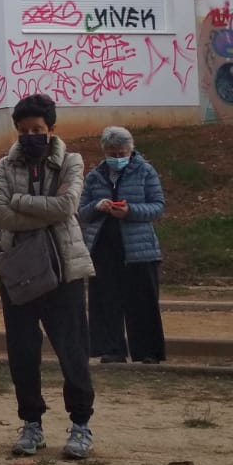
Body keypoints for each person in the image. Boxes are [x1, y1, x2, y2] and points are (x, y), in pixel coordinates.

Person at [0, 93, 96, 460]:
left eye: (38, 129)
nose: (31, 135)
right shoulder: (6, 165)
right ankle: (31, 424)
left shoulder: (71, 162)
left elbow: (68, 207)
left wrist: (20, 202)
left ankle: (81, 424)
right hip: (18, 271)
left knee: (72, 349)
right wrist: (42, 211)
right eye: (24, 130)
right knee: (22, 350)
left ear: (51, 129)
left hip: (64, 268)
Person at [79, 126, 167, 364]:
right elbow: (81, 212)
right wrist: (98, 206)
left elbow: (157, 206)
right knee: (106, 300)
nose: (117, 158)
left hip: (139, 247)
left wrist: (130, 211)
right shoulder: (94, 176)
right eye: (112, 153)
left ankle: (148, 352)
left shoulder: (145, 171)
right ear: (104, 151)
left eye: (121, 153)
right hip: (103, 246)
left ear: (131, 150)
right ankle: (111, 349)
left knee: (143, 301)